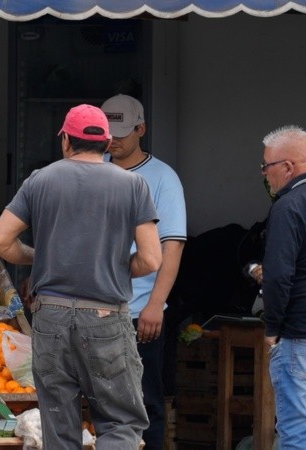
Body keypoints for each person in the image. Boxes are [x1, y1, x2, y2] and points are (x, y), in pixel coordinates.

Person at [0, 104, 162, 449]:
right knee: (120, 423)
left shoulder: (41, 179)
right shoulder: (133, 185)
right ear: (107, 141)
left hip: (50, 317)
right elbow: (152, 259)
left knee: (60, 429)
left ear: (66, 141)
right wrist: (116, 265)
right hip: (105, 317)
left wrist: (38, 258)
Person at [101, 94, 187, 450]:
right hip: (91, 308)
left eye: (121, 132)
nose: (113, 139)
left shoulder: (162, 177)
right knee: (98, 403)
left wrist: (156, 304)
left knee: (145, 402)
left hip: (138, 312)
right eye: (107, 131)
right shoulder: (93, 168)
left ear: (141, 129)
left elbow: (174, 245)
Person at [259, 125, 306, 449]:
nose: (264, 175)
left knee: (296, 431)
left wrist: (272, 327)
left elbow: (277, 275)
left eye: (266, 167)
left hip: (298, 334)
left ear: (287, 167)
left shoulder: (289, 206)